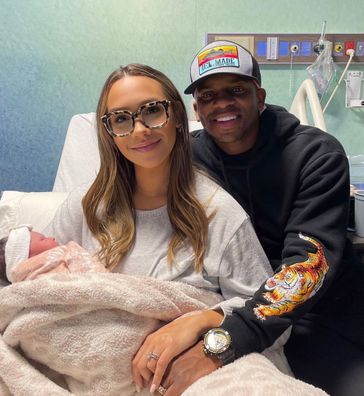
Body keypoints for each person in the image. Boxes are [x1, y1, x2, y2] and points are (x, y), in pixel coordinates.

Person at [43, 63, 292, 394]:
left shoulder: (219, 214)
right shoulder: (85, 207)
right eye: (121, 119)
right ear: (109, 132)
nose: (140, 129)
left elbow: (268, 312)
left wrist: (200, 321)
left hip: (182, 376)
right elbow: (31, 280)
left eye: (152, 111)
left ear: (177, 116)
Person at [148, 40, 364, 396]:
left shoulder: (316, 155)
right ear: (197, 109)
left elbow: (308, 269)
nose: (222, 104)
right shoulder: (185, 159)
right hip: (236, 305)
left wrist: (226, 340)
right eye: (208, 96)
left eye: (236, 90)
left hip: (321, 313)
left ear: (259, 97)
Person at [0, 225, 107, 283]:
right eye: (43, 239)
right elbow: (94, 274)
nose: (51, 237)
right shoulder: (63, 252)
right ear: (30, 258)